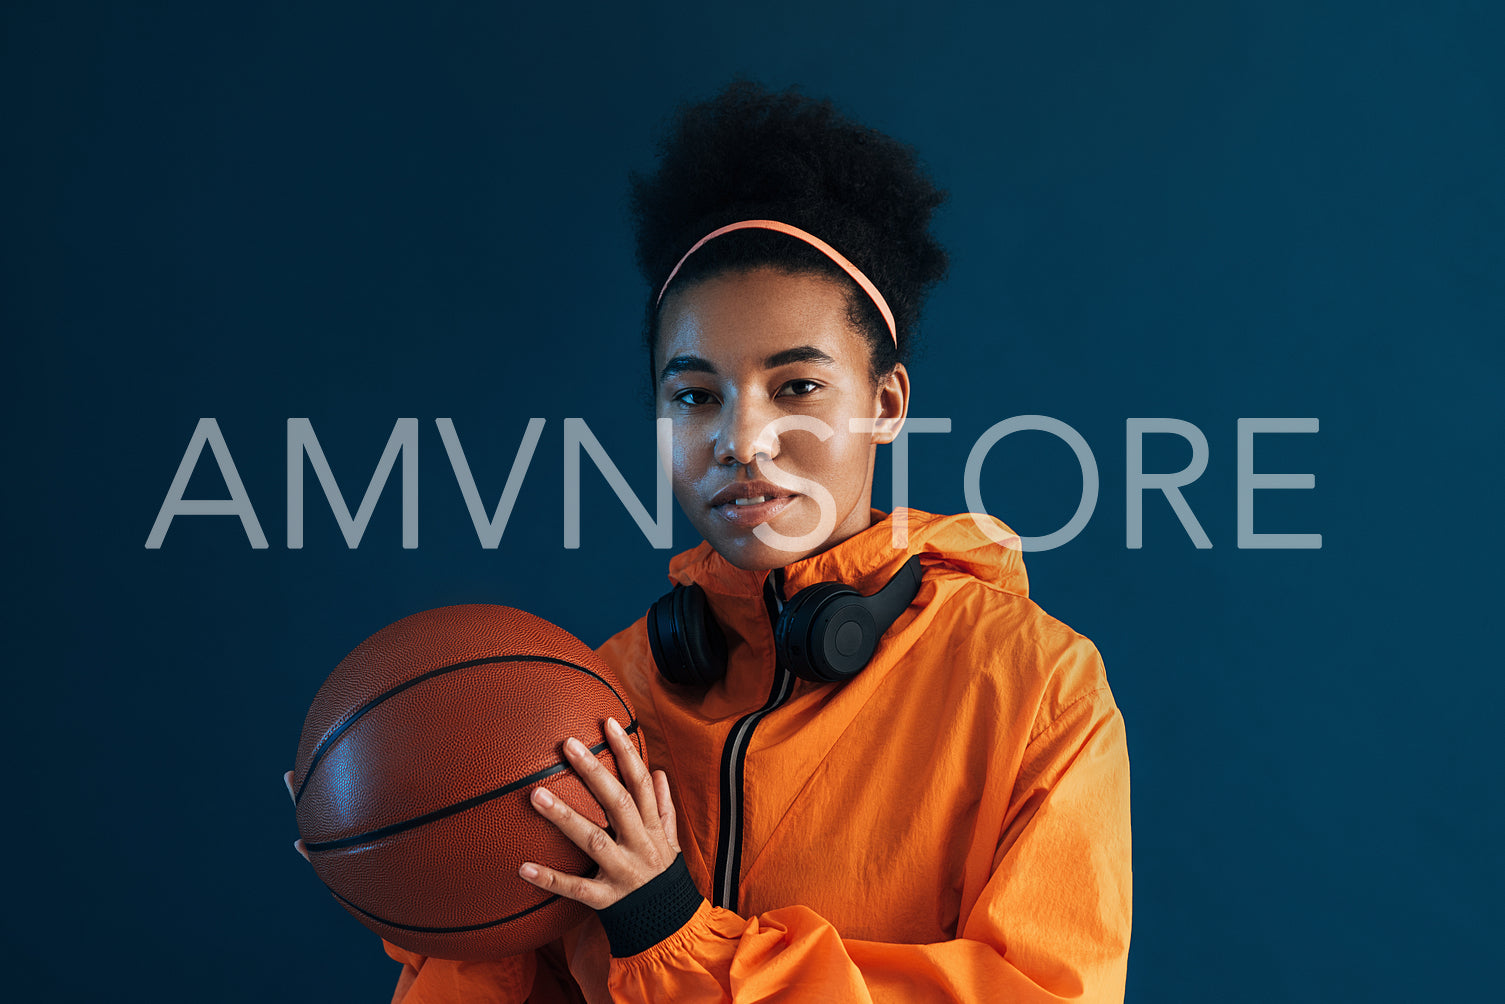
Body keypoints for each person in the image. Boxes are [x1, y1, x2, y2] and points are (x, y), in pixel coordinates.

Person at [292, 78, 1132, 1002]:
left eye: (798, 386)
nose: (741, 438)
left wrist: (675, 938)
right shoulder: (590, 708)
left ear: (885, 404)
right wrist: (412, 856)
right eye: (694, 396)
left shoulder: (1034, 688)